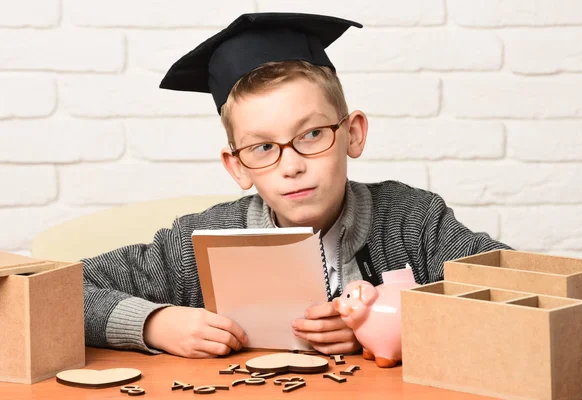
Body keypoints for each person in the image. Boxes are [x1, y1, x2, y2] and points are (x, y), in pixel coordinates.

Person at [83, 12, 511, 359]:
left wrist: (388, 324)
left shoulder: (414, 221)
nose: (291, 166)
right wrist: (155, 324)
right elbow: (63, 291)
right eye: (263, 146)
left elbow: (518, 290)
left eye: (311, 135)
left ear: (353, 134)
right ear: (237, 167)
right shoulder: (194, 246)